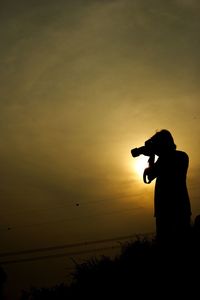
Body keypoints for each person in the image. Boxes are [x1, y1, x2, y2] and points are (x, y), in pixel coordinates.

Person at [142, 129, 192, 242]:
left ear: (163, 144)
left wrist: (152, 156)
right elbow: (150, 176)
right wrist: (152, 157)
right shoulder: (178, 157)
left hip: (173, 210)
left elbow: (151, 174)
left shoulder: (178, 157)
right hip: (169, 210)